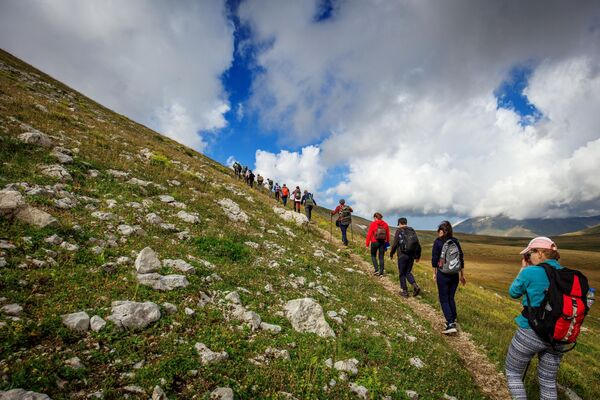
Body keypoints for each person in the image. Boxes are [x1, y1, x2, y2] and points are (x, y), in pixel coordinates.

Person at [505, 237, 568, 400]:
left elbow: (513, 292)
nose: (528, 258)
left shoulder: (531, 272)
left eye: (530, 253)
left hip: (530, 332)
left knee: (513, 373)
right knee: (548, 381)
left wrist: (523, 269)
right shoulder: (566, 274)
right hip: (558, 336)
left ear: (540, 253)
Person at [432, 220, 466, 334]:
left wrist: (434, 273)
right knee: (451, 297)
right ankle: (453, 318)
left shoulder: (438, 242)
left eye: (439, 231)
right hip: (455, 274)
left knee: (443, 298)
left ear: (442, 231)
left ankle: (450, 323)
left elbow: (434, 259)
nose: (438, 233)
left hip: (443, 274)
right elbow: (461, 258)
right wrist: (462, 275)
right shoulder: (455, 241)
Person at [390, 217, 422, 297]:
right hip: (411, 255)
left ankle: (405, 291)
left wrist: (391, 253)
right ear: (406, 222)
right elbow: (417, 244)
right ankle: (415, 286)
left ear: (400, 223)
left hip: (402, 255)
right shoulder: (411, 230)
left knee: (402, 273)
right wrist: (417, 256)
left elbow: (395, 244)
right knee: (408, 272)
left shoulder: (399, 231)